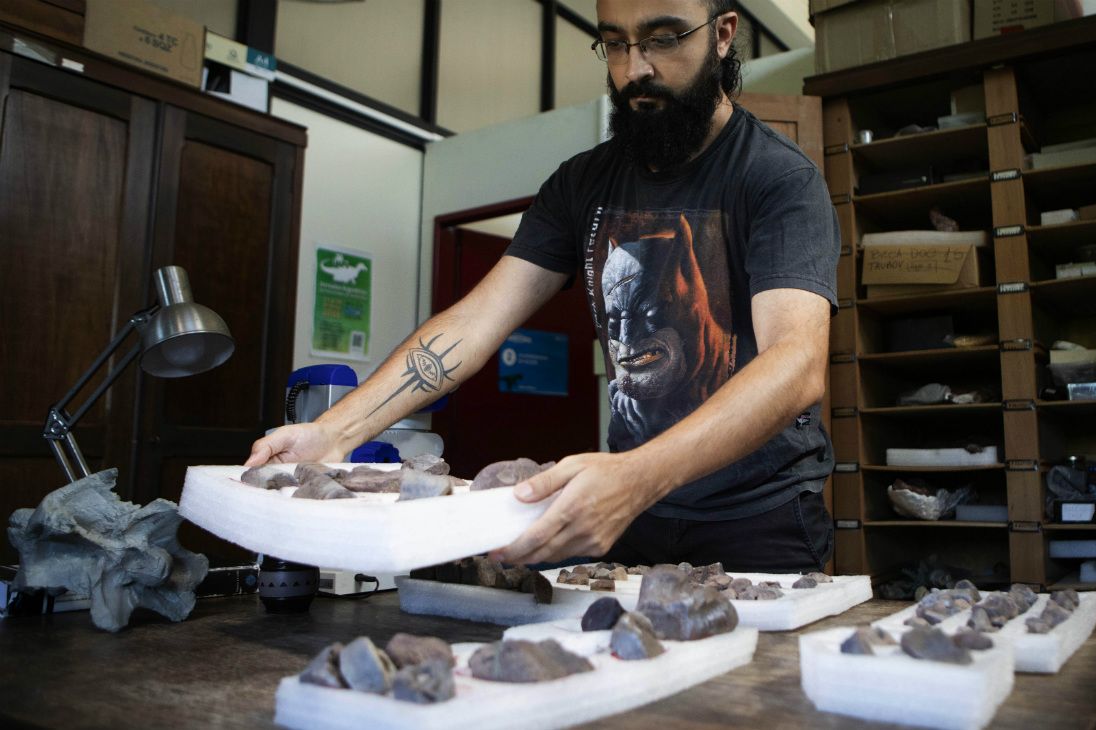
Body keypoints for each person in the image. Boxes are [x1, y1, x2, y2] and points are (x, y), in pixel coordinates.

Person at [245, 0, 840, 573]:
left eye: (664, 38)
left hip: (760, 518)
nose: (636, 69)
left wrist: (636, 475)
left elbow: (796, 362)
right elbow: (477, 319)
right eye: (614, 43)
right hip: (633, 511)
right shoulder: (580, 184)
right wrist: (335, 431)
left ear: (724, 33)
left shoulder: (778, 179)